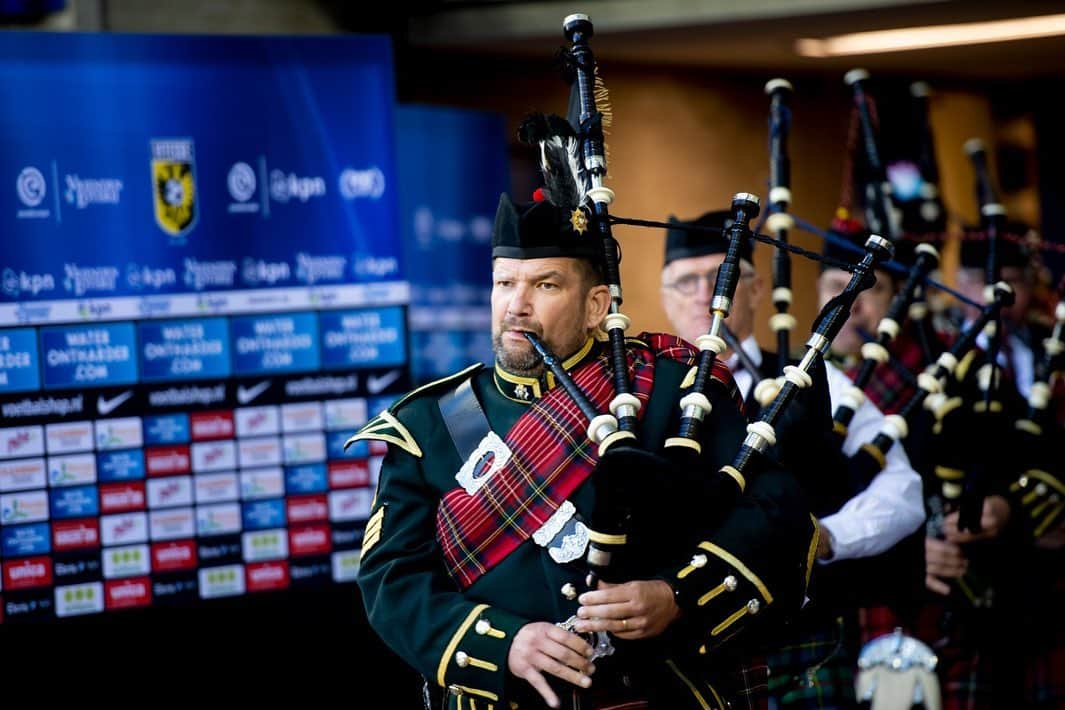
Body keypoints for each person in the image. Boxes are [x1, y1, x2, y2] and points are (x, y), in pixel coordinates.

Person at [351, 189, 819, 710]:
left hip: (659, 692)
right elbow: (391, 578)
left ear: (596, 305)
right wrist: (504, 644)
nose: (517, 305)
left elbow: (778, 517)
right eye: (504, 283)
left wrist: (677, 595)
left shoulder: (672, 390)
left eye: (544, 284)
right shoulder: (429, 425)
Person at [660, 211, 925, 708]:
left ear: (756, 290)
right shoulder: (645, 393)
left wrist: (829, 538)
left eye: (720, 276)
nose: (703, 294)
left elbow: (904, 491)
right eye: (685, 281)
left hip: (797, 648)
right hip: (681, 646)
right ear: (662, 297)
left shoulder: (809, 382)